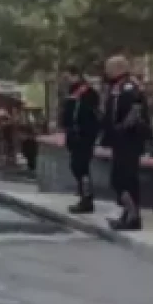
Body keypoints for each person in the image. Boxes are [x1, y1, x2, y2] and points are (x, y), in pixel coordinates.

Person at [100, 56, 149, 231]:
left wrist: (119, 131)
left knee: (124, 179)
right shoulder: (118, 86)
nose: (106, 72)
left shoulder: (130, 87)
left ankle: (133, 217)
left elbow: (134, 114)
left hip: (129, 141)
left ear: (118, 69)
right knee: (120, 178)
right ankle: (128, 214)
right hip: (120, 142)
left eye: (108, 68)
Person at [61, 65, 101, 213]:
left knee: (81, 166)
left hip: (83, 136)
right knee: (76, 166)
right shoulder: (73, 92)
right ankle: (83, 195)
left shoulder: (87, 93)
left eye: (68, 77)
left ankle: (87, 199)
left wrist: (82, 132)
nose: (66, 81)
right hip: (74, 136)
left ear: (76, 75)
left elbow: (89, 116)